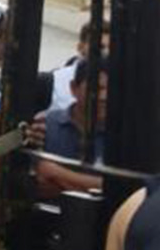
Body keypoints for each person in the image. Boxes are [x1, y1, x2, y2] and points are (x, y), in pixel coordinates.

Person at [37, 58, 108, 197]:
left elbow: (123, 189)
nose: (104, 96)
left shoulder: (124, 135)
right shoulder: (45, 124)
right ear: (73, 88)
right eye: (98, 88)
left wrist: (57, 173)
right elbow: (38, 183)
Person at [49, 19, 109, 114]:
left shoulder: (122, 83)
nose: (106, 53)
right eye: (100, 47)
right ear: (80, 47)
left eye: (111, 48)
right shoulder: (54, 81)